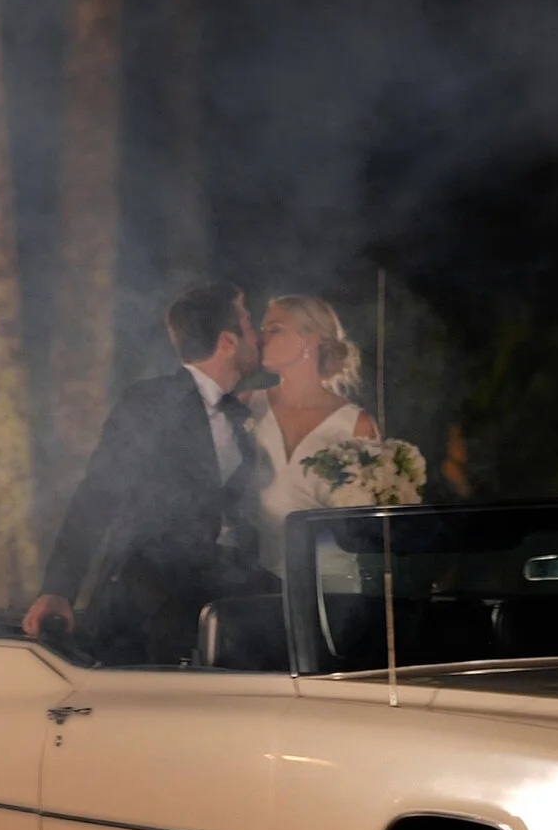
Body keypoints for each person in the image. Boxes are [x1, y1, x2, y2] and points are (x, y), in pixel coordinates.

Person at [23, 282, 269, 662]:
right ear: (228, 341)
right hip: (153, 605)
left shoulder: (239, 417)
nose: (259, 337)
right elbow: (98, 494)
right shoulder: (150, 402)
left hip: (226, 603)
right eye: (250, 325)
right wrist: (59, 589)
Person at [245, 295, 382, 575]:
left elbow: (367, 524)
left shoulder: (355, 425)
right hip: (253, 577)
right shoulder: (247, 404)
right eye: (262, 329)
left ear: (310, 339)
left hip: (329, 586)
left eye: (275, 329)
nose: (261, 339)